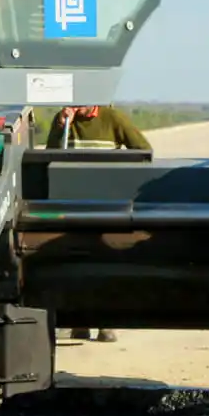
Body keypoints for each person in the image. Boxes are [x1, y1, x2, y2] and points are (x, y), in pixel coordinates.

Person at [47, 105, 152, 344]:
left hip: (107, 204)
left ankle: (107, 321)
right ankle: (79, 322)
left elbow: (143, 151)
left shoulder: (113, 118)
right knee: (75, 262)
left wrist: (120, 178)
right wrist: (61, 127)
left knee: (106, 260)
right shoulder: (64, 120)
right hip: (73, 204)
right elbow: (51, 155)